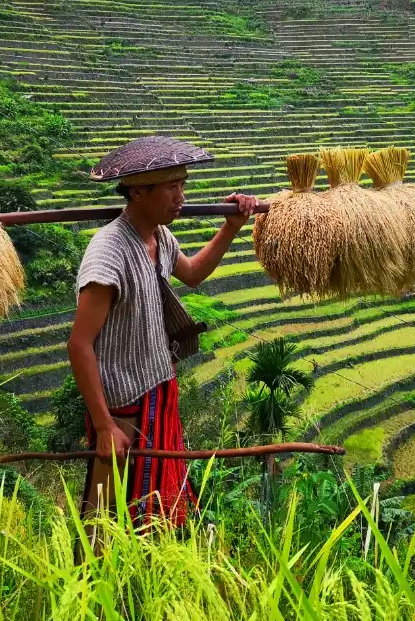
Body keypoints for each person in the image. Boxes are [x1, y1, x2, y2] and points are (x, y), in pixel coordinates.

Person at [67, 136, 257, 532]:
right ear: (137, 191)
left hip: (158, 388)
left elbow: (192, 273)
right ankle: (92, 586)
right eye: (172, 187)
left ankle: (145, 586)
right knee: (104, 520)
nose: (181, 197)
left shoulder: (159, 236)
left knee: (154, 515)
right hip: (123, 406)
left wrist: (231, 226)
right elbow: (79, 344)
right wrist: (104, 427)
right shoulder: (109, 252)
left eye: (183, 185)